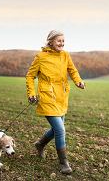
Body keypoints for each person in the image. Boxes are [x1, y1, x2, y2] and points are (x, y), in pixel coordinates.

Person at [26, 30, 85, 174]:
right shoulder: (40, 57)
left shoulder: (65, 55)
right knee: (60, 130)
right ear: (50, 41)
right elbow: (30, 76)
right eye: (59, 40)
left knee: (56, 129)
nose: (62, 43)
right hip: (47, 97)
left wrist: (78, 81)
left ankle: (40, 144)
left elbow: (73, 70)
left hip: (62, 97)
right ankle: (64, 163)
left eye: (63, 41)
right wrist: (31, 93)